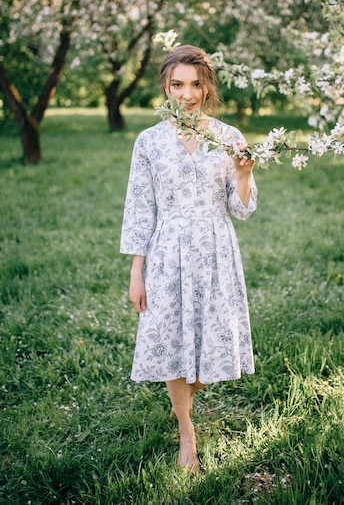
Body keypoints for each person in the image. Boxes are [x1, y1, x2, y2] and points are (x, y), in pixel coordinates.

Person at [120, 44, 257, 472]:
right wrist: (136, 272)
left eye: (196, 85)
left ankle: (189, 390)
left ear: (207, 86)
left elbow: (242, 209)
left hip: (216, 252)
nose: (187, 94)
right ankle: (186, 433)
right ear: (165, 85)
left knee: (204, 353)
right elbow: (140, 209)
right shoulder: (150, 143)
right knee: (172, 342)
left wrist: (244, 173)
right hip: (167, 255)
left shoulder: (227, 136)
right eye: (178, 84)